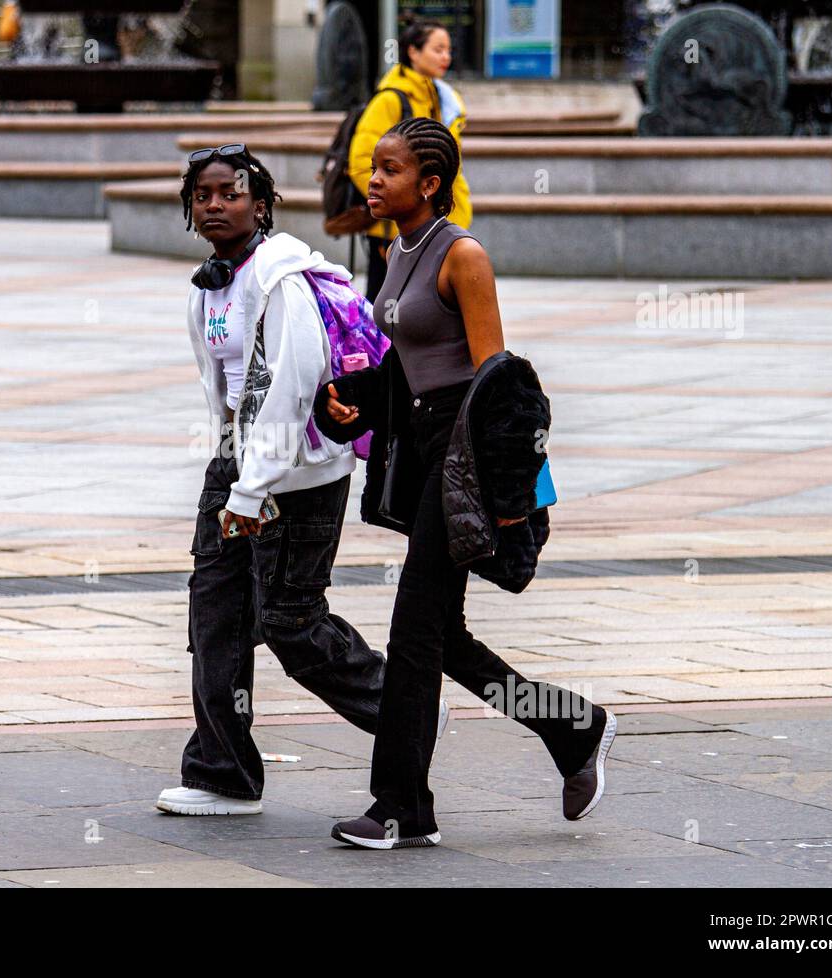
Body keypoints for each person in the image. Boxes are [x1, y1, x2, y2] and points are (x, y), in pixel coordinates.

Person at [316, 118, 618, 850]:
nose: (373, 180)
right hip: (423, 450)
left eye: (388, 169)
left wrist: (508, 502)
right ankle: (570, 727)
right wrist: (355, 394)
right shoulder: (396, 250)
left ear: (429, 183)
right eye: (373, 168)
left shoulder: (464, 256)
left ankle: (397, 805)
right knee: (439, 635)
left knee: (412, 632)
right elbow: (407, 364)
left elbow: (501, 386)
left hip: (463, 458)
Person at [156, 143, 446, 816]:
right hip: (237, 463)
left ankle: (404, 713)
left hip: (300, 470)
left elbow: (288, 388)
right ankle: (222, 772)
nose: (214, 204)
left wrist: (254, 490)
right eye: (202, 195)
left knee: (290, 620)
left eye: (229, 193)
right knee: (215, 615)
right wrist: (231, 472)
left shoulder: (279, 280)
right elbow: (225, 389)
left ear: (260, 207)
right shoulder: (211, 285)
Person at [349, 16, 473, 302]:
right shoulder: (391, 99)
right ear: (413, 52)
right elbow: (360, 163)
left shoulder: (441, 99)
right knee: (386, 318)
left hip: (434, 226)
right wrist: (398, 214)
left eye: (449, 50)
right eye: (438, 49)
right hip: (393, 232)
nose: (446, 57)